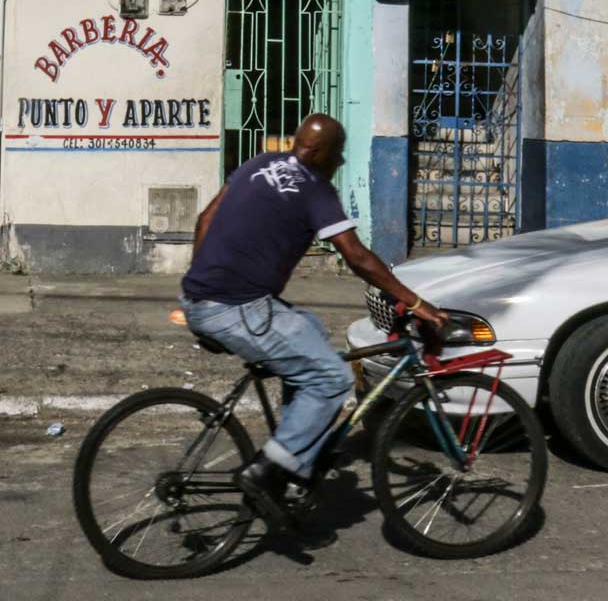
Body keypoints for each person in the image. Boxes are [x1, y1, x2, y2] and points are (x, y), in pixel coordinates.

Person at [180, 114, 445, 531]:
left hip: (207, 295)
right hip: (238, 308)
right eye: (338, 154)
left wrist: (203, 280)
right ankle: (268, 473)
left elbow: (204, 221)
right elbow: (356, 256)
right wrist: (413, 301)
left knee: (311, 332)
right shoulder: (315, 190)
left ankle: (296, 456)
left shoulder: (258, 164)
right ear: (319, 152)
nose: (340, 162)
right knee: (331, 379)